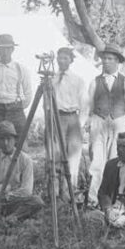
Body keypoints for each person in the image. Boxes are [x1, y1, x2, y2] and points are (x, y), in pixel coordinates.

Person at [86, 43, 125, 207]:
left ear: (117, 62)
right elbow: (88, 104)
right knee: (97, 162)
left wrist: (123, 123)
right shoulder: (95, 81)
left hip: (118, 123)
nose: (106, 62)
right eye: (104, 59)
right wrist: (91, 121)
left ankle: (114, 199)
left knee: (116, 161)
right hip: (99, 122)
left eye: (110, 59)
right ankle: (93, 199)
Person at [0, 120, 44, 221]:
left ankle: (12, 218)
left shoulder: (25, 160)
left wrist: (8, 194)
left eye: (9, 139)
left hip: (17, 200)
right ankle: (4, 215)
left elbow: (27, 190)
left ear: (14, 139)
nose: (5, 143)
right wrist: (5, 189)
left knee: (37, 201)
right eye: (2, 139)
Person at [51, 46, 88, 202]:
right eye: (59, 58)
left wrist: (79, 124)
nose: (62, 61)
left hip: (72, 118)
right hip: (56, 117)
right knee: (55, 154)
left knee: (72, 157)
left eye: (65, 58)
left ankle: (68, 192)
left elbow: (84, 104)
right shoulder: (51, 79)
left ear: (71, 60)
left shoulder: (77, 80)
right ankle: (54, 192)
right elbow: (46, 102)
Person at [0, 34, 33, 150]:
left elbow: (28, 93)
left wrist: (17, 106)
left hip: (16, 111)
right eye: (2, 48)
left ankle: (21, 167)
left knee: (21, 146)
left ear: (12, 49)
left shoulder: (21, 69)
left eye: (8, 48)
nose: (5, 51)